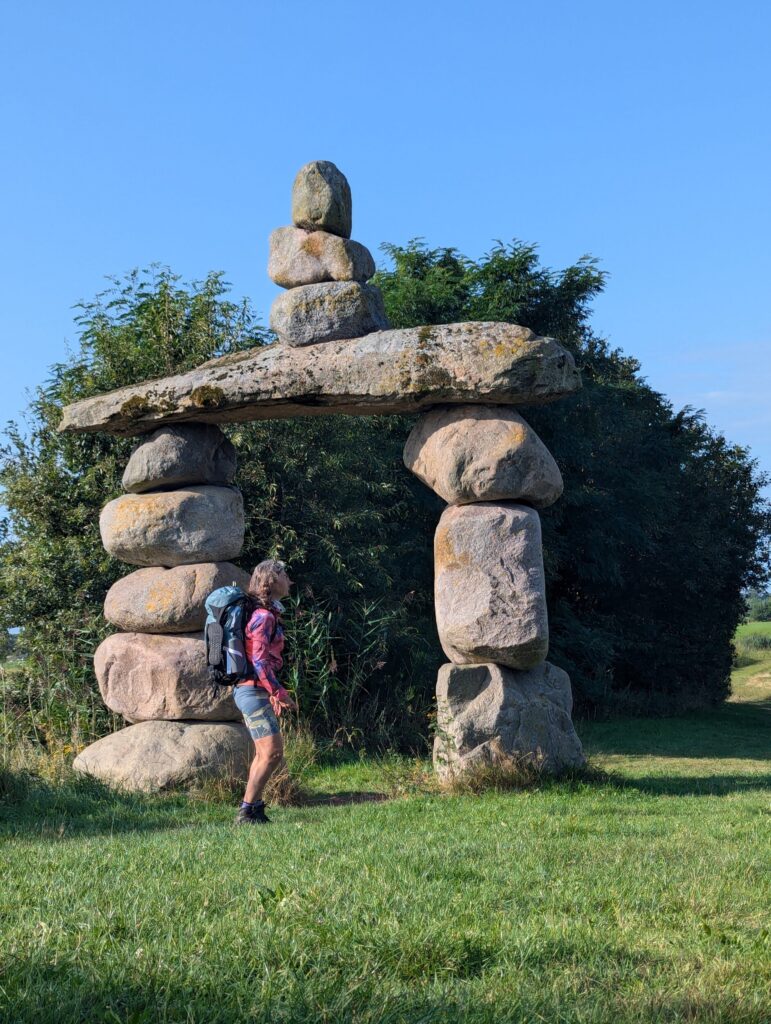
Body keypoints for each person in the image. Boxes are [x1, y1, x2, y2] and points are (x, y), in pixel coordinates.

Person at [232, 558, 297, 825]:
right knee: (272, 753)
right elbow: (259, 660)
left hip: (255, 691)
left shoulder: (265, 614)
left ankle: (255, 809)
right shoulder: (263, 617)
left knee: (265, 753)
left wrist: (271, 691)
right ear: (271, 581)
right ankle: (246, 812)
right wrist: (278, 691)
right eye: (284, 575)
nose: (289, 580)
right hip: (252, 692)